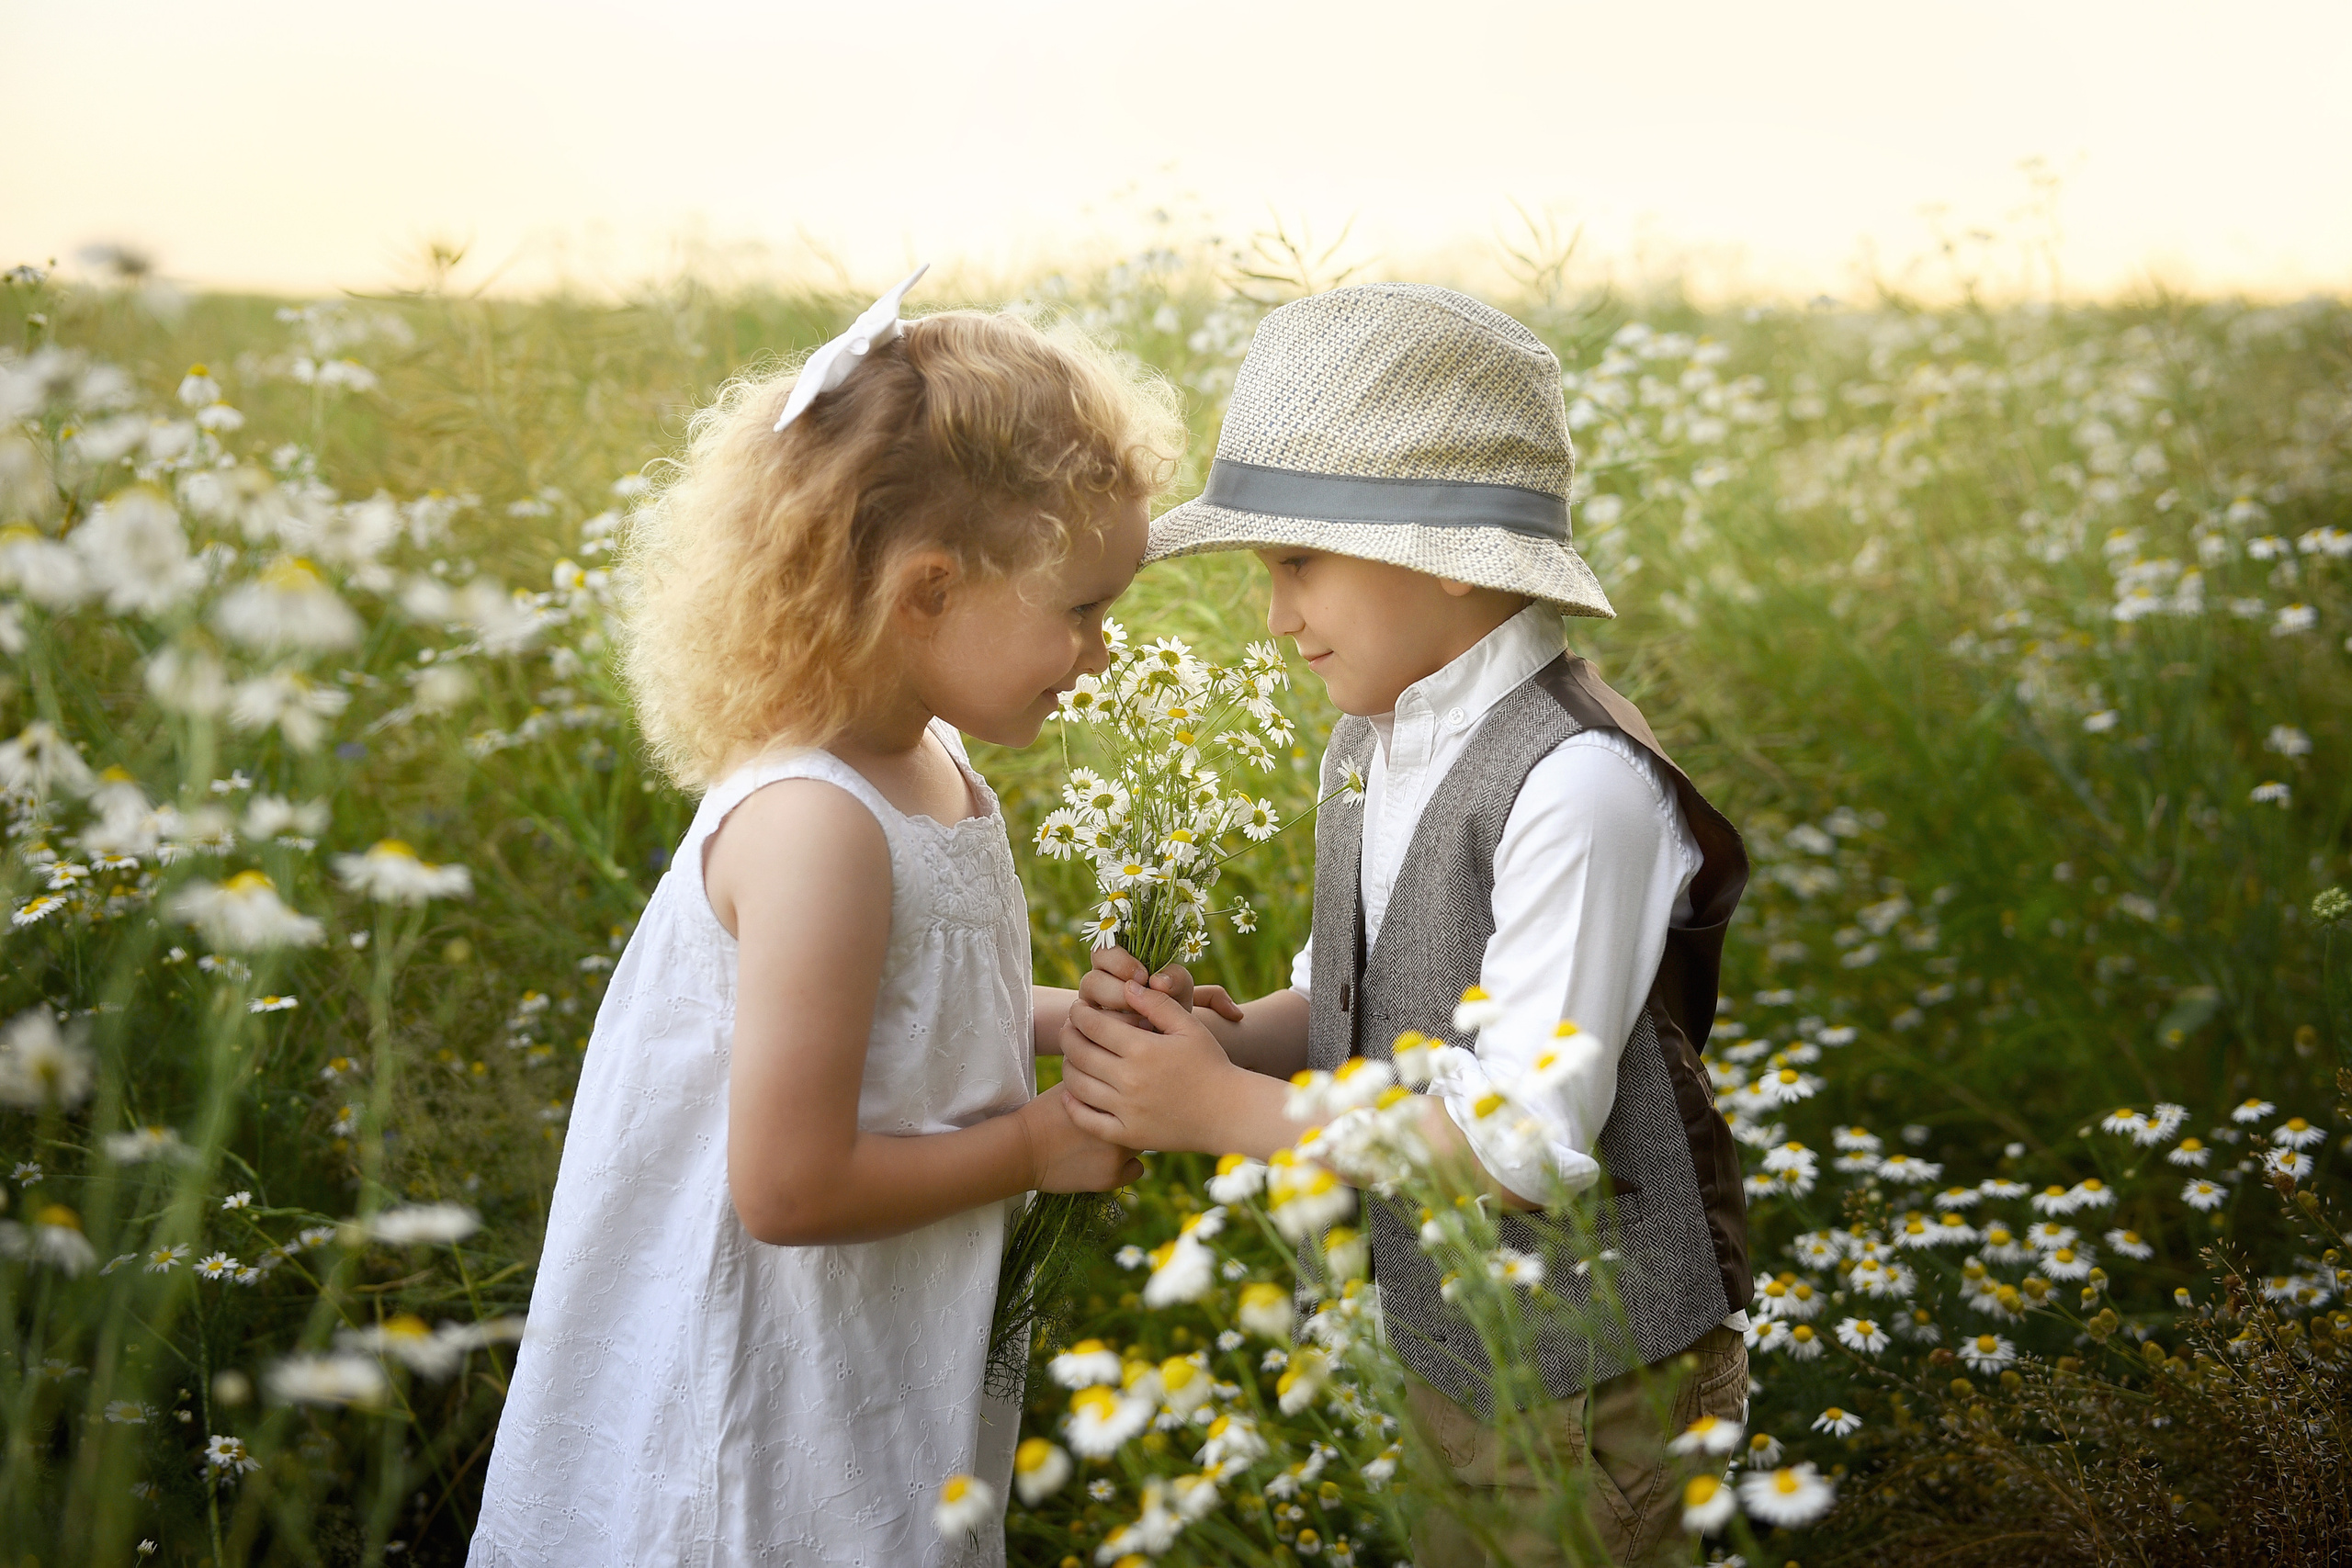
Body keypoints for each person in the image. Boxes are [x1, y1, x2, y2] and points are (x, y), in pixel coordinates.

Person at [469, 276, 1181, 1567]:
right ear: (926, 592)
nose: (1102, 655)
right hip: (761, 1366)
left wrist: (1081, 1025)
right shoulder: (815, 825)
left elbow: (901, 1018)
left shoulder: (932, 764)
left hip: (873, 1323)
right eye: (1082, 611)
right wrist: (1039, 1142)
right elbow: (787, 1188)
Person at [1058, 283, 1753, 1566]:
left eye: (1296, 564)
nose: (1275, 618)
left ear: (1442, 547)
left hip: (1595, 1391)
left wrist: (1225, 1117)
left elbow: (1526, 1144)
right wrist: (1229, 1038)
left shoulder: (1577, 784)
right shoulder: (1380, 742)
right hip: (1467, 1350)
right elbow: (1366, 999)